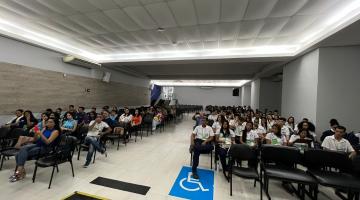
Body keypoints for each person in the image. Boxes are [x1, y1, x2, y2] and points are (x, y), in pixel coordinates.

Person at [10, 118, 60, 182]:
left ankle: (19, 172)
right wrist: (36, 133)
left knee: (18, 154)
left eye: (51, 122)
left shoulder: (55, 131)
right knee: (22, 149)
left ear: (54, 124)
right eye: (48, 122)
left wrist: (40, 134)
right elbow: (35, 139)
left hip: (46, 148)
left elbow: (48, 142)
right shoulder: (44, 129)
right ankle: (20, 171)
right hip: (37, 144)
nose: (48, 123)